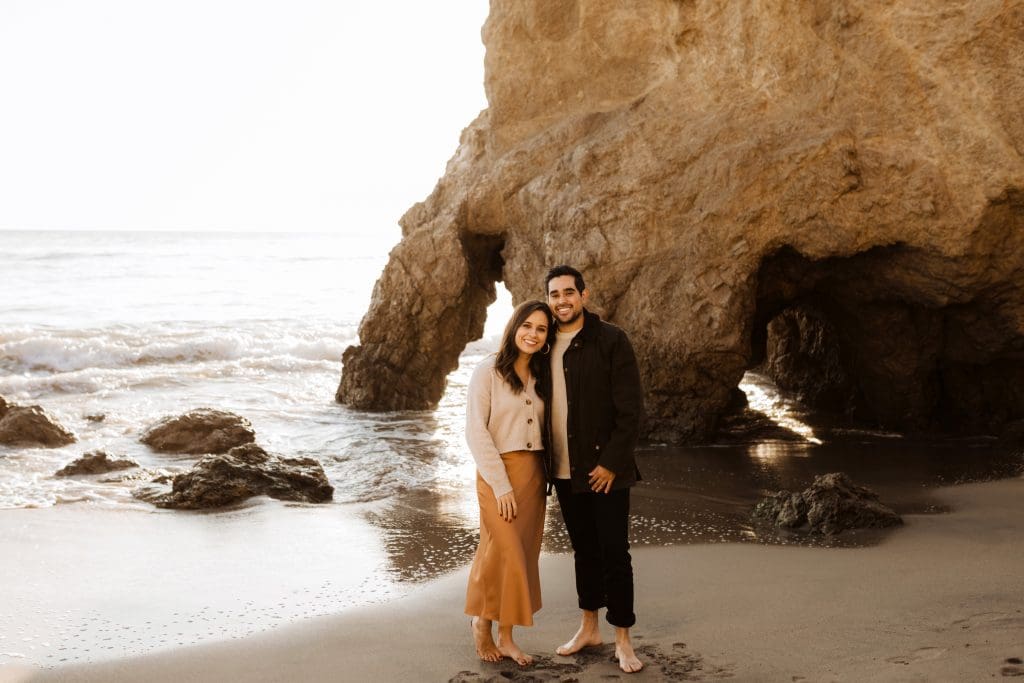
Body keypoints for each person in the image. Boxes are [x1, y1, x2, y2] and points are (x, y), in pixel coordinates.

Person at [543, 264, 645, 674]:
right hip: (564, 472)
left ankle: (623, 638)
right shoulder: (544, 343)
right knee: (583, 552)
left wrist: (610, 464)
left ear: (583, 295)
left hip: (606, 471)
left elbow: (631, 411)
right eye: (554, 294)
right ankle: (589, 628)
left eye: (569, 292)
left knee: (614, 554)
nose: (562, 300)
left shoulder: (611, 340)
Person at [465, 300, 554, 666]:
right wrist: (500, 485)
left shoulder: (543, 375)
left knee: (522, 556)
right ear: (514, 326)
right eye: (527, 326)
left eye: (541, 329)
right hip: (496, 473)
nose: (532, 334)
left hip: (534, 475)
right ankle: (482, 623)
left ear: (547, 337)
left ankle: (507, 637)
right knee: (503, 552)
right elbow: (476, 432)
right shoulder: (487, 371)